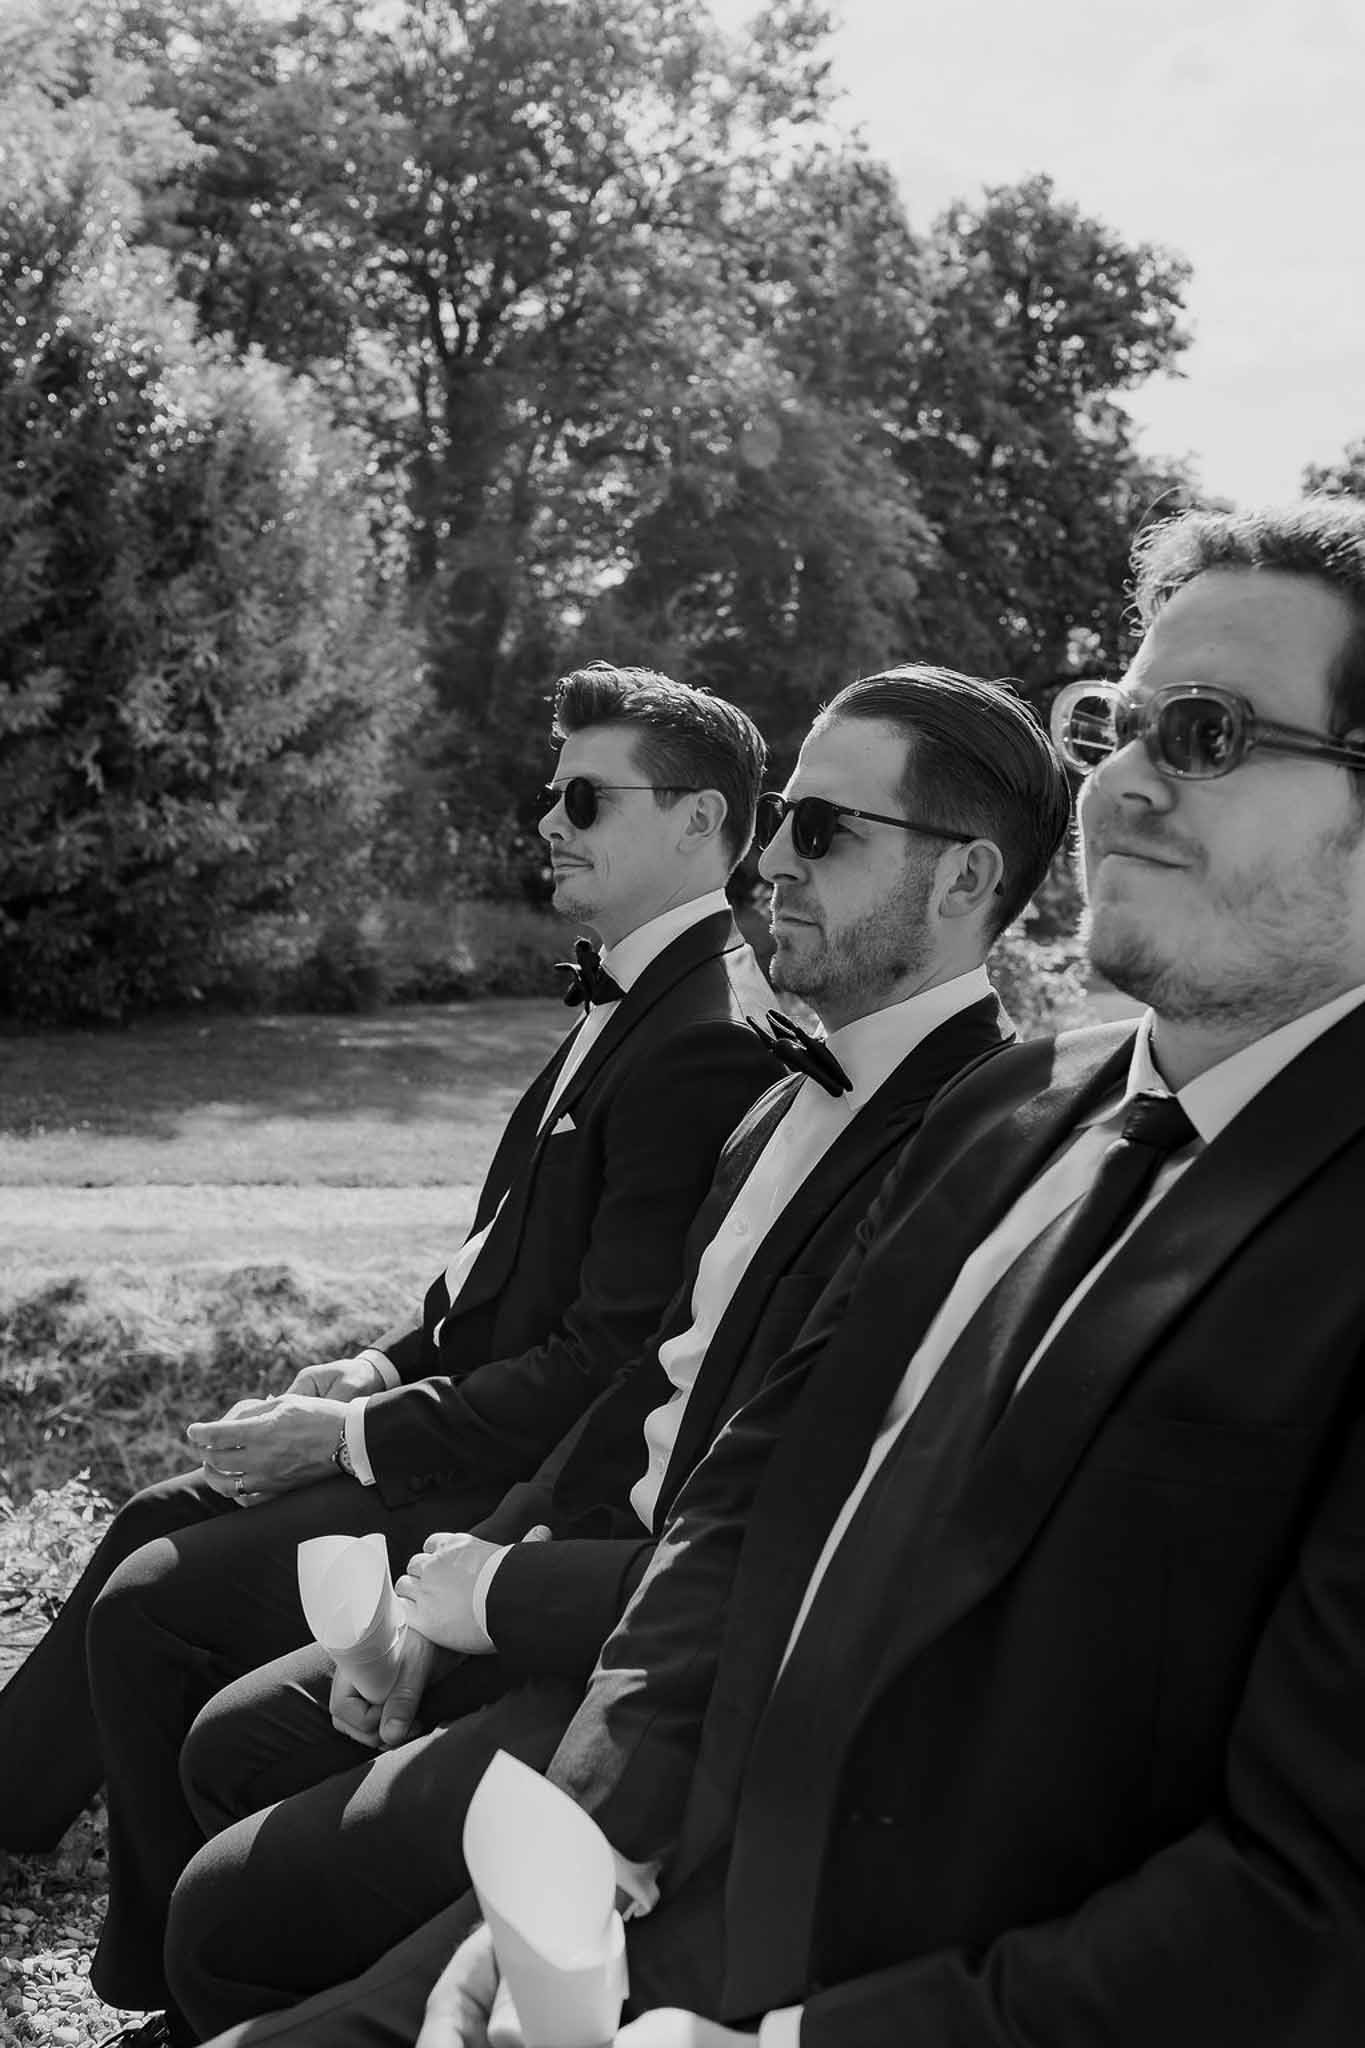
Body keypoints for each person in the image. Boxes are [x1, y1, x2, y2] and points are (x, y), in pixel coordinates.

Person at [206, 495, 1365, 2048]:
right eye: (1120, 722)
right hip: (661, 1905)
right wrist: (594, 1846)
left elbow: (1306, 1908)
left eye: (1209, 734)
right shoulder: (1015, 1112)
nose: (1125, 783)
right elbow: (755, 1494)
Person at [156, 666, 1071, 2037]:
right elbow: (644, 1378)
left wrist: (503, 1599)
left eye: (822, 831)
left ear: (964, 881)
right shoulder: (780, 1098)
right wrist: (436, 1601)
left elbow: (801, 1529)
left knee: (229, 1907)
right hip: (567, 1575)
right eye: (779, 825)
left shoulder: (975, 1144)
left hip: (664, 1664)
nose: (766, 861)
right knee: (232, 1758)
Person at [0, 662, 778, 2046]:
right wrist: (369, 1366)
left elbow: (602, 1362)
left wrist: (359, 1439)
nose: (546, 819)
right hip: (448, 1418)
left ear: (700, 824)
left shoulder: (704, 1037)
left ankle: (181, 1985)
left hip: (513, 1486)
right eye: (549, 792)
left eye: (585, 796)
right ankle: (88, 1888)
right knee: (150, 1527)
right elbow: (501, 1279)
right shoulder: (634, 1001)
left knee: (156, 1591)